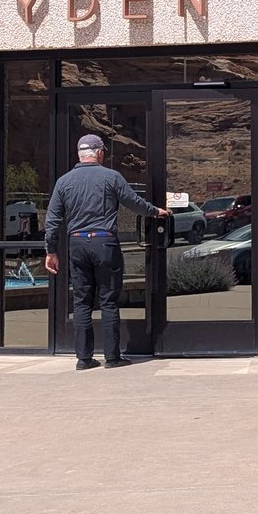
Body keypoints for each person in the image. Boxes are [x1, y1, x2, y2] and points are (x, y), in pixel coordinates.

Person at [44, 134, 166, 370]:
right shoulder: (111, 177)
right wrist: (156, 212)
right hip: (104, 242)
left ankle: (83, 358)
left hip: (76, 243)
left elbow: (52, 220)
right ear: (99, 153)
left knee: (81, 303)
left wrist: (51, 251)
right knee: (108, 301)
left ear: (79, 154)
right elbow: (134, 203)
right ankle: (112, 357)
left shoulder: (64, 181)